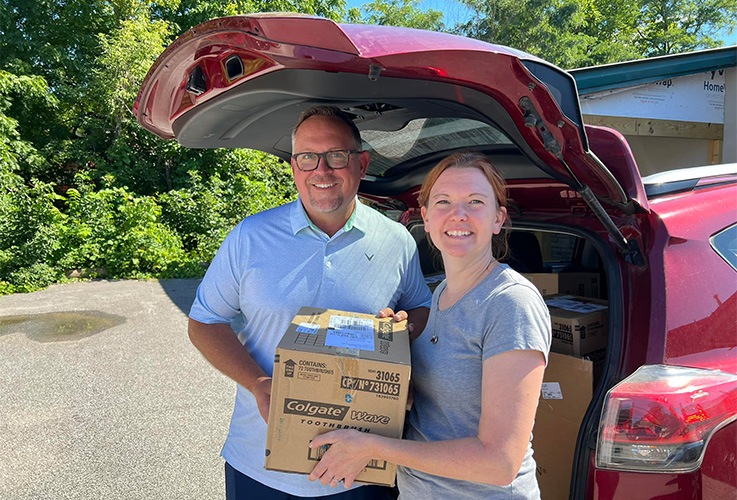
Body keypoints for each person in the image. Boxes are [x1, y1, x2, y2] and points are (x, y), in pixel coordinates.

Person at [188, 106, 432, 500]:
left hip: (361, 468)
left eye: (336, 155)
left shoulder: (397, 241)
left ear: (361, 162)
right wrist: (259, 383)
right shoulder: (250, 237)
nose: (321, 170)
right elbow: (204, 322)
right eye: (306, 157)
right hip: (261, 464)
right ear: (293, 167)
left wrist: (405, 327)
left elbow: (420, 307)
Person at [308, 151, 551, 499]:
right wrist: (388, 352)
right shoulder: (440, 295)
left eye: (475, 201)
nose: (458, 214)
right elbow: (433, 406)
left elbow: (499, 463)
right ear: (425, 216)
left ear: (498, 219)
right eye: (443, 201)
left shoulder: (510, 303)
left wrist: (372, 447)